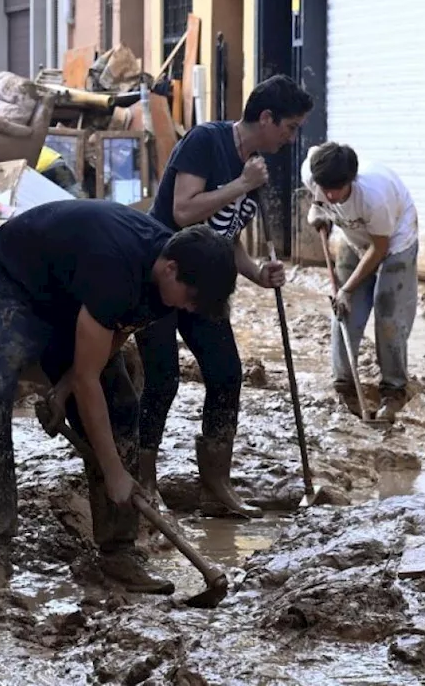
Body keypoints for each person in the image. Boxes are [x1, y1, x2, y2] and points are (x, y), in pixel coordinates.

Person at [0, 199, 237, 592]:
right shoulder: (117, 267)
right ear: (171, 268)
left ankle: (118, 552)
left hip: (73, 299)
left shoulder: (167, 282)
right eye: (191, 298)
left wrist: (63, 389)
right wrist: (114, 472)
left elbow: (117, 332)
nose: (191, 308)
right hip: (10, 282)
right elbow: (89, 377)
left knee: (122, 407)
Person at [135, 74, 314, 518]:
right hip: (165, 275)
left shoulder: (257, 165)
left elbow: (225, 231)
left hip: (208, 283)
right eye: (289, 128)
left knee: (227, 373)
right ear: (267, 117)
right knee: (163, 378)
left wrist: (255, 272)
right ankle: (143, 481)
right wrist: (241, 184)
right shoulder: (206, 141)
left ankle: (216, 483)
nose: (291, 139)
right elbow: (183, 209)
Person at [302, 142, 419, 421]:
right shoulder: (314, 174)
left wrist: (346, 288)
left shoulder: (374, 196)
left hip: (394, 243)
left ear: (351, 180)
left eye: (336, 190)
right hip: (354, 240)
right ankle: (344, 387)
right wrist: (317, 210)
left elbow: (378, 249)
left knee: (388, 315)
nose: (329, 195)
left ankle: (394, 391)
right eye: (324, 189)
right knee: (344, 313)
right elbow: (317, 183)